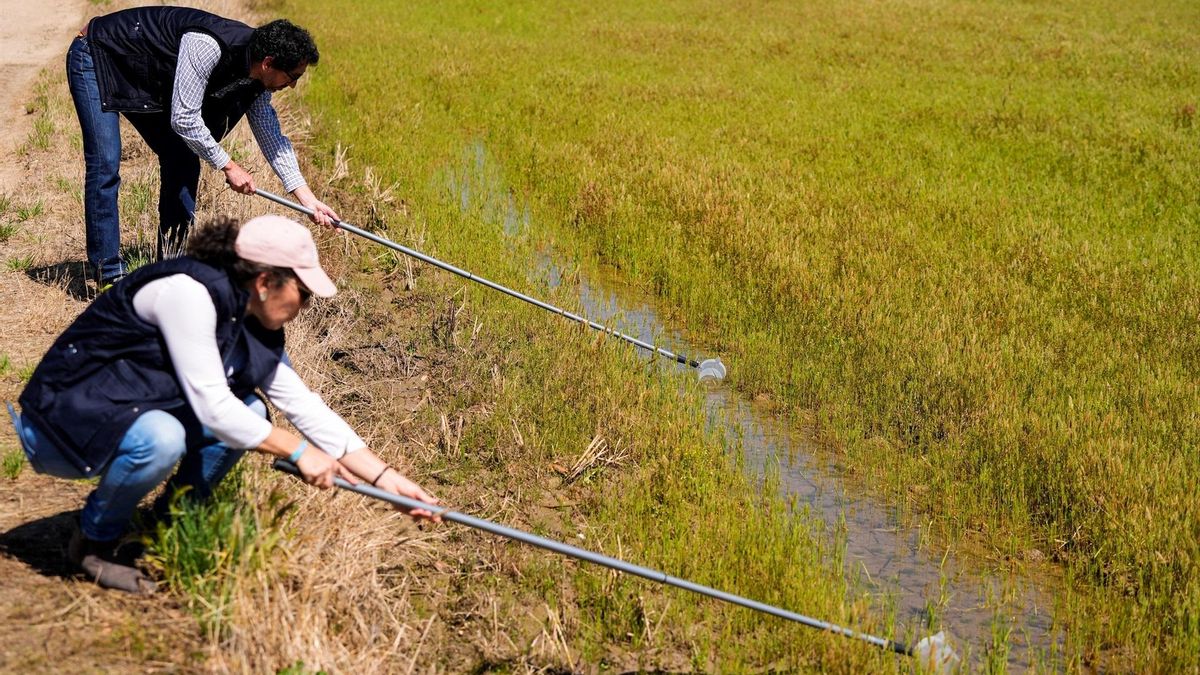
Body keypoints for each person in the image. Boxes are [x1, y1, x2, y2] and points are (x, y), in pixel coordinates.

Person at [13, 215, 438, 594]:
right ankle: (92, 544)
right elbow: (213, 406)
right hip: (62, 424)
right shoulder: (189, 293)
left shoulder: (251, 319)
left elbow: (303, 406)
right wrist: (298, 451)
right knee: (166, 437)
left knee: (251, 413)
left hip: (123, 409)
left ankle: (168, 527)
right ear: (265, 281)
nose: (305, 306)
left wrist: (387, 481)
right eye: (303, 293)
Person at [67, 6, 341, 288]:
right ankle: (108, 272)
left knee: (183, 158)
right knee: (106, 163)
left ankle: (172, 265)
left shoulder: (258, 79)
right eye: (292, 76)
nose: (293, 85)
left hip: (142, 75)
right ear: (269, 62)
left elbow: (271, 136)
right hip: (97, 56)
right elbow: (184, 119)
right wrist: (229, 165)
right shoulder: (208, 44)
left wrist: (307, 199)